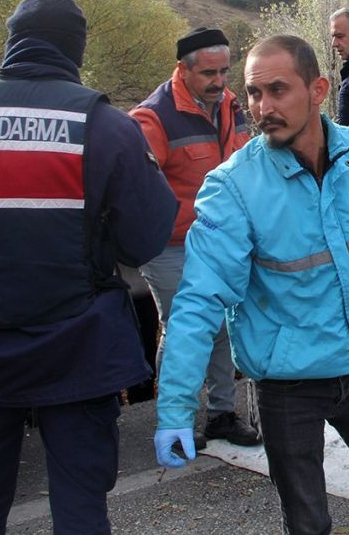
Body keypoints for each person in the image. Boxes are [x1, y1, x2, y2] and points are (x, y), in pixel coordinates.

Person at [0, 0, 177, 534]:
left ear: (12, 40)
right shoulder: (104, 124)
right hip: (81, 352)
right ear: (76, 47)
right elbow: (144, 239)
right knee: (79, 504)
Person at [153, 35, 349, 535]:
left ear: (318, 89)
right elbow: (199, 301)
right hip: (287, 383)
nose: (262, 107)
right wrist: (175, 407)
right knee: (307, 521)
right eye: (253, 93)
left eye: (278, 90)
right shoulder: (234, 187)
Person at [129, 27, 260, 447]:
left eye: (224, 71)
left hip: (222, 241)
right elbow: (135, 189)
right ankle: (177, 419)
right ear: (182, 71)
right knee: (184, 326)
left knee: (222, 324)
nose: (219, 81)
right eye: (208, 73)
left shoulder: (232, 106)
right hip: (171, 245)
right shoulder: (153, 118)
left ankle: (222, 413)